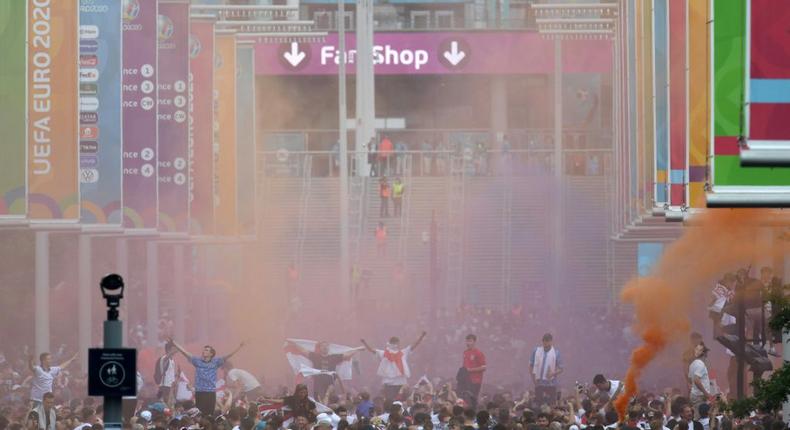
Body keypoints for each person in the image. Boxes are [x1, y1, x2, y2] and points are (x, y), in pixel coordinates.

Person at [169, 338, 245, 417]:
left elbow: (228, 356)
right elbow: (185, 353)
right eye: (204, 350)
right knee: (200, 414)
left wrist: (239, 347)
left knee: (209, 415)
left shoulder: (216, 362)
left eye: (206, 350)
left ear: (211, 354)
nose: (204, 351)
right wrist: (175, 344)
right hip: (200, 392)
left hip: (210, 392)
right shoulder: (197, 361)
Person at [360, 331, 427, 402]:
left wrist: (421, 336)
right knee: (393, 402)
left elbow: (414, 345)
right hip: (391, 383)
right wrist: (421, 336)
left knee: (397, 402)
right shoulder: (385, 353)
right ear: (396, 343)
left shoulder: (401, 353)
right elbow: (372, 350)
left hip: (399, 383)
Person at [285, 340, 361, 399]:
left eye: (326, 346)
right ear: (320, 348)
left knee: (330, 400)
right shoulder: (315, 356)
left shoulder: (334, 357)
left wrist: (357, 349)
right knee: (319, 400)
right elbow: (303, 351)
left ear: (329, 348)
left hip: (330, 383)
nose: (325, 347)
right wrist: (294, 344)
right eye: (323, 346)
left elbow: (347, 354)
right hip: (318, 383)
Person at [529, 333, 562, 407]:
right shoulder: (536, 351)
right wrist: (533, 379)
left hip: (551, 383)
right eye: (544, 341)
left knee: (551, 405)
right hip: (539, 383)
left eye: (547, 341)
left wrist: (553, 373)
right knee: (539, 404)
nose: (545, 343)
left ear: (551, 341)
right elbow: (531, 365)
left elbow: (561, 369)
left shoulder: (556, 353)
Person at [458, 334, 486, 409]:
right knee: (464, 399)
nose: (468, 343)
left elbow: (483, 367)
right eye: (467, 341)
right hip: (466, 380)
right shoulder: (465, 352)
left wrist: (470, 370)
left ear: (474, 342)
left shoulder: (478, 353)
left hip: (475, 380)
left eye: (470, 341)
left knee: (472, 399)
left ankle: (473, 415)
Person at [688, 342, 713, 409]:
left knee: (698, 415)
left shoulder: (693, 364)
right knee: (700, 416)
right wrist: (706, 393)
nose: (707, 355)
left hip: (696, 395)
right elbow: (696, 380)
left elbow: (690, 379)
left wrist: (707, 383)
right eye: (706, 352)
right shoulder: (700, 364)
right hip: (700, 396)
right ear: (704, 354)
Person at [154, 341, 179, 405]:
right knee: (166, 405)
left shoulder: (172, 360)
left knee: (171, 405)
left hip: (170, 386)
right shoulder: (164, 358)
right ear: (169, 349)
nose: (175, 350)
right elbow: (166, 357)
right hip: (165, 386)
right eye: (173, 348)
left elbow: (170, 374)